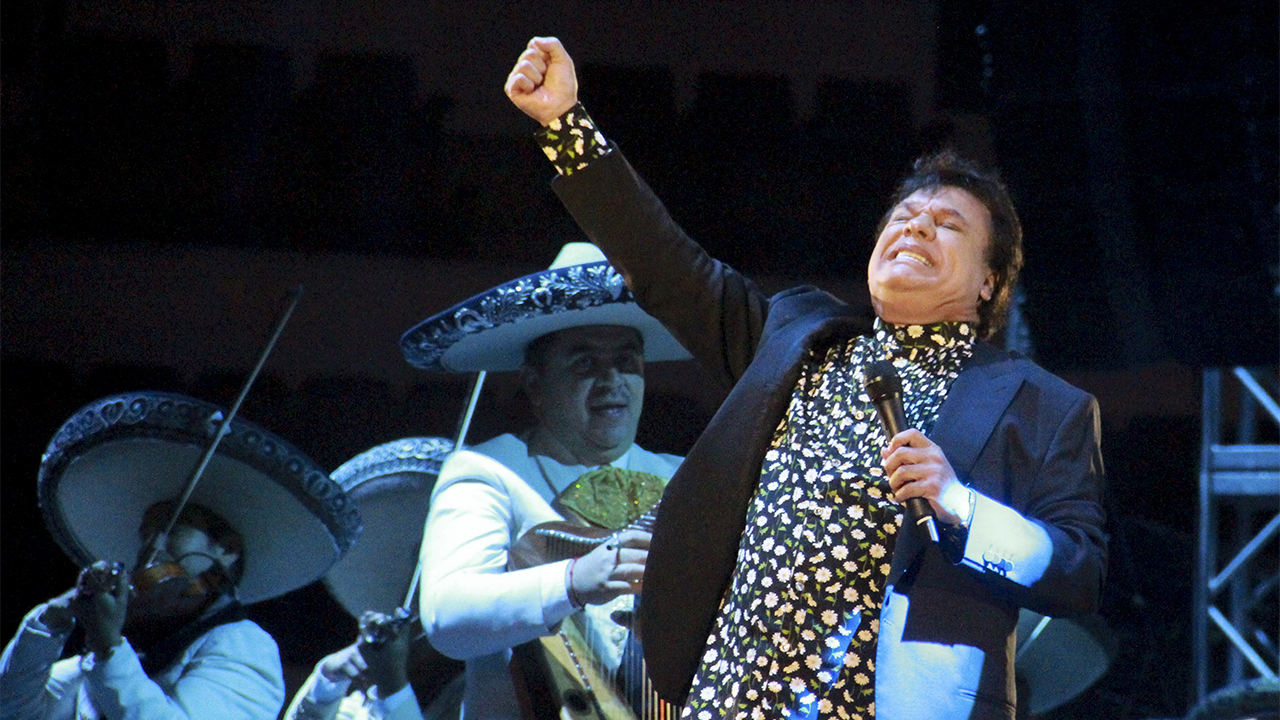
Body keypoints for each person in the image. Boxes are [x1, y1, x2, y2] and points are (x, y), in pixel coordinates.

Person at [503, 37, 1108, 720]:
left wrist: (961, 506)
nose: (915, 229)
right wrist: (566, 125)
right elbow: (666, 263)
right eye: (903, 218)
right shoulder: (796, 339)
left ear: (990, 281)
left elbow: (1079, 570)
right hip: (729, 699)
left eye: (947, 225)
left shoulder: (1041, 405)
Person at [400, 243, 691, 720]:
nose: (612, 380)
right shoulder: (489, 470)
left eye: (627, 361)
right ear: (535, 384)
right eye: (585, 364)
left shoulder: (685, 479)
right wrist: (573, 581)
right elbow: (446, 618)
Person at [1, 390, 361, 720]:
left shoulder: (243, 643)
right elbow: (13, 710)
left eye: (173, 529)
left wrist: (108, 646)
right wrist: (52, 619)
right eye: (147, 532)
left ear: (226, 549)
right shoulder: (123, 643)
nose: (152, 545)